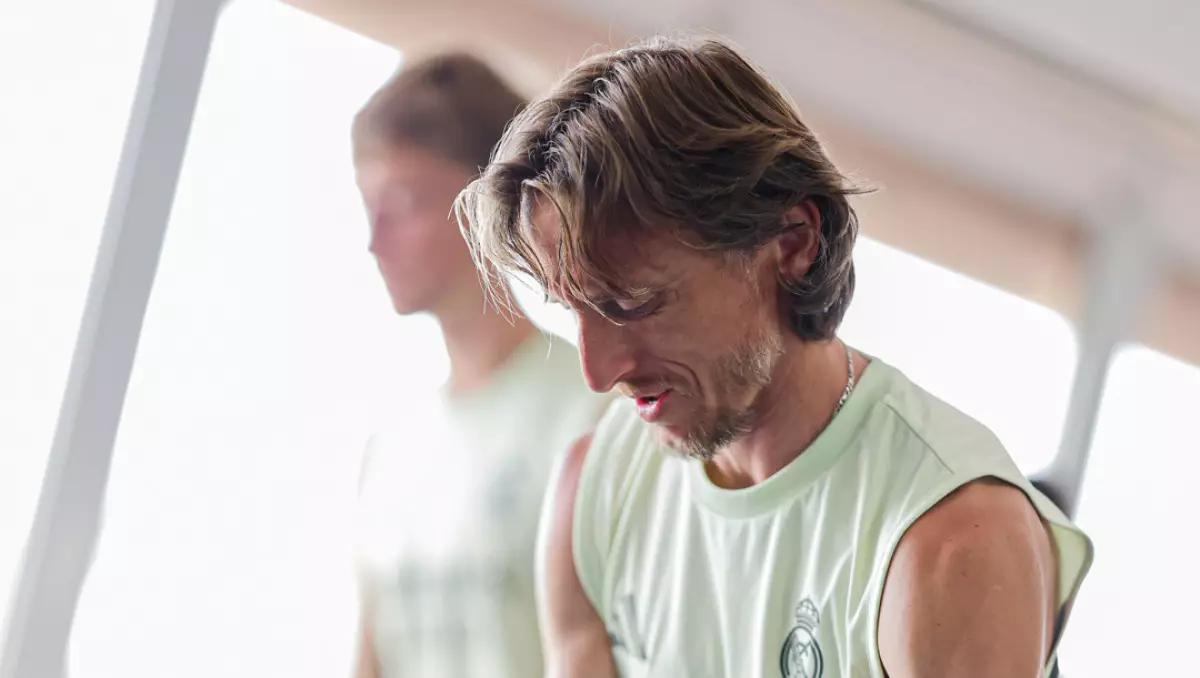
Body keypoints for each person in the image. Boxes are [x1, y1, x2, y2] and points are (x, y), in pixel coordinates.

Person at [456, 36, 1093, 677]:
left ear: (791, 242)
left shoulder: (952, 540)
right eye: (572, 311)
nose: (599, 373)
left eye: (632, 304)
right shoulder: (594, 491)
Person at [349, 52, 612, 678]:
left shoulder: (596, 409)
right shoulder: (389, 455)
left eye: (402, 204)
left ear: (486, 199)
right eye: (367, 209)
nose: (375, 241)